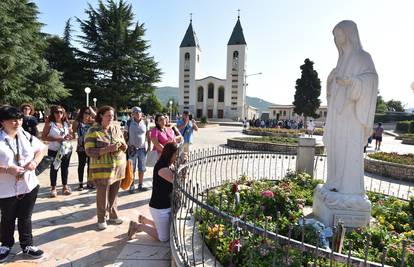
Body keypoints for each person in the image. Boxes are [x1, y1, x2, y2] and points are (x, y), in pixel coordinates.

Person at [322, 20, 378, 195]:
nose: (336, 39)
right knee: (336, 147)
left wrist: (353, 82)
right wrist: (330, 82)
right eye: (334, 36)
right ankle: (334, 181)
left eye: (338, 34)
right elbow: (332, 92)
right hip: (337, 115)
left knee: (349, 149)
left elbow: (372, 80)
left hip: (352, 115)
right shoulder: (340, 60)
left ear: (349, 34)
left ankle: (349, 188)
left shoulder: (363, 57)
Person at [0, 106, 46, 262]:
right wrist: (7, 169)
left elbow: (42, 149)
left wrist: (34, 161)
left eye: (19, 119)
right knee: (7, 218)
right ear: (2, 122)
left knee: (25, 217)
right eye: (12, 119)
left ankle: (27, 245)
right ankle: (5, 244)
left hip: (29, 185)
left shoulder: (25, 135)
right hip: (5, 189)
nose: (17, 122)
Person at [84, 106, 127, 230]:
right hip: (102, 169)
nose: (111, 118)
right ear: (101, 116)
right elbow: (89, 151)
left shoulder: (116, 128)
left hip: (118, 166)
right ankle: (101, 218)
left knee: (114, 192)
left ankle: (113, 215)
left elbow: (124, 143)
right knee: (102, 193)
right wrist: (107, 149)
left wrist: (123, 146)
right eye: (108, 115)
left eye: (112, 116)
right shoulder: (93, 130)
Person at [127, 142, 178, 241]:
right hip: (159, 208)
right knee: (163, 238)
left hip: (165, 205)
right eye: (176, 154)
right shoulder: (162, 168)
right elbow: (178, 182)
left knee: (166, 229)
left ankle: (144, 220)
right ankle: (137, 226)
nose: (177, 156)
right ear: (170, 154)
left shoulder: (168, 165)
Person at [42, 105, 73, 197]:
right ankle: (53, 188)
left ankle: (64, 187)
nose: (59, 114)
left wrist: (70, 136)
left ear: (63, 113)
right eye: (56, 112)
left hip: (66, 149)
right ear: (53, 113)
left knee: (65, 168)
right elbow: (44, 137)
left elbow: (71, 135)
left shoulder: (66, 123)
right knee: (54, 169)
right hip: (54, 150)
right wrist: (56, 138)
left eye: (61, 112)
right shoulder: (50, 124)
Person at [124, 107, 150, 193]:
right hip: (132, 149)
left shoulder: (145, 122)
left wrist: (149, 146)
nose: (138, 113)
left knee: (142, 168)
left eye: (139, 112)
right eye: (135, 112)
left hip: (142, 149)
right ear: (133, 114)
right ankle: (131, 186)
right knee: (132, 168)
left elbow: (148, 135)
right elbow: (125, 135)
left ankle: (140, 185)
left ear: (141, 113)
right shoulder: (129, 122)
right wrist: (127, 145)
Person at [72, 107, 96, 191]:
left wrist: (90, 108)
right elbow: (73, 134)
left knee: (90, 166)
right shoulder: (77, 122)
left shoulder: (93, 122)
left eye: (89, 113)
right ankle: (80, 184)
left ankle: (90, 183)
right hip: (81, 147)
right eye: (86, 112)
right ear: (82, 113)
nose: (87, 115)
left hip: (91, 147)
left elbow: (98, 118)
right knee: (81, 165)